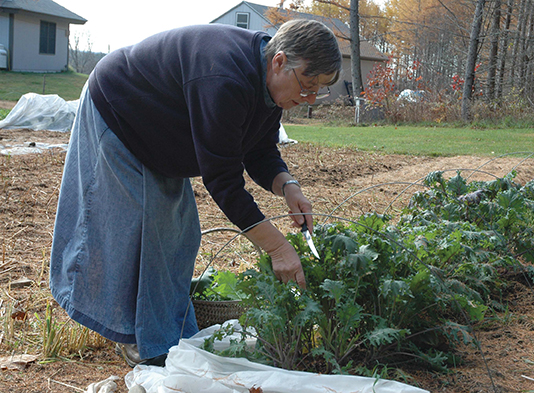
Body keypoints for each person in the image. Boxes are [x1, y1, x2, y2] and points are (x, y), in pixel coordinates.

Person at [49, 19, 342, 367]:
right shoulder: (226, 78)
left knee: (180, 235)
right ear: (280, 61)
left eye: (318, 91)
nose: (308, 98)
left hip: (157, 131)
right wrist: (278, 247)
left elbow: (260, 150)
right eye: (307, 86)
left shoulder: (269, 83)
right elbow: (223, 180)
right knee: (145, 230)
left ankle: (163, 336)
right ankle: (145, 342)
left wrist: (287, 186)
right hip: (120, 110)